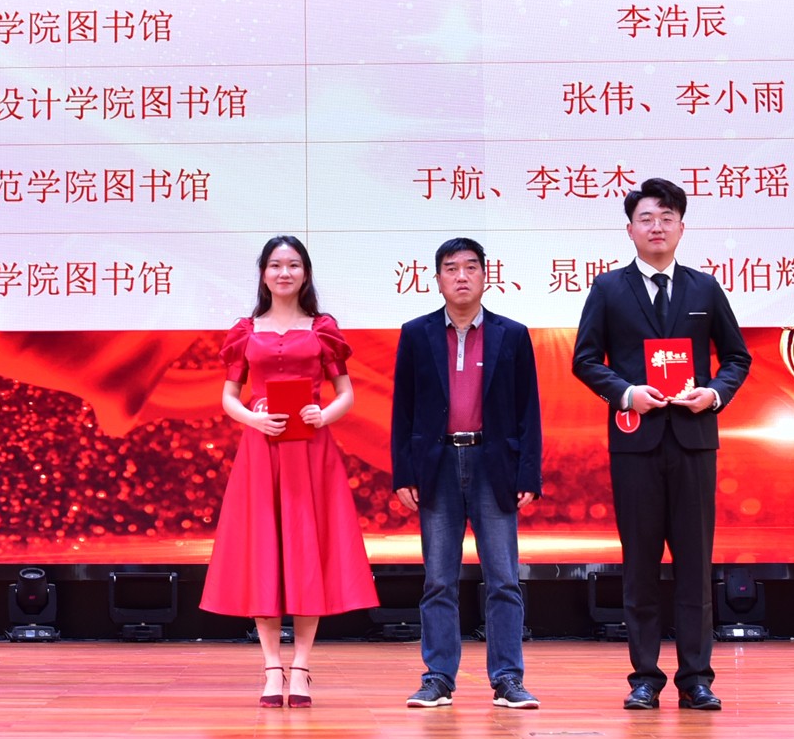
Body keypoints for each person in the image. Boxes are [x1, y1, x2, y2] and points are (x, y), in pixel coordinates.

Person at [571, 177, 751, 711]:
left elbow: (736, 357)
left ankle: (696, 678)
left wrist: (713, 394)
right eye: (646, 218)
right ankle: (645, 677)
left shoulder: (704, 288)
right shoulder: (608, 289)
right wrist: (627, 393)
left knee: (695, 566)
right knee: (641, 565)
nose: (657, 227)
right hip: (635, 445)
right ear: (629, 229)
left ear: (681, 228)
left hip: (694, 442)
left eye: (667, 218)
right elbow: (585, 360)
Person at [200, 235, 379, 707]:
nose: (285, 273)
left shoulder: (323, 329)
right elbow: (229, 396)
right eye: (276, 265)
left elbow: (345, 393)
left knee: (305, 550)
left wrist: (325, 414)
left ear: (306, 273)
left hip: (310, 451)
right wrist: (253, 419)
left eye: (294, 265)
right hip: (261, 451)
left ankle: (300, 666)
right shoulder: (245, 330)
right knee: (264, 551)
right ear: (263, 273)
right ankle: (271, 668)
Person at [390, 238, 544, 710]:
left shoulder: (511, 334)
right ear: (436, 279)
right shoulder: (416, 334)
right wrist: (403, 472)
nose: (461, 276)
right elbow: (403, 410)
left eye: (471, 267)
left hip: (493, 466)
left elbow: (528, 411)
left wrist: (528, 475)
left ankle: (508, 678)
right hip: (436, 467)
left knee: (503, 579)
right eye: (451, 268)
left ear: (485, 276)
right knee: (438, 579)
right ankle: (438, 677)